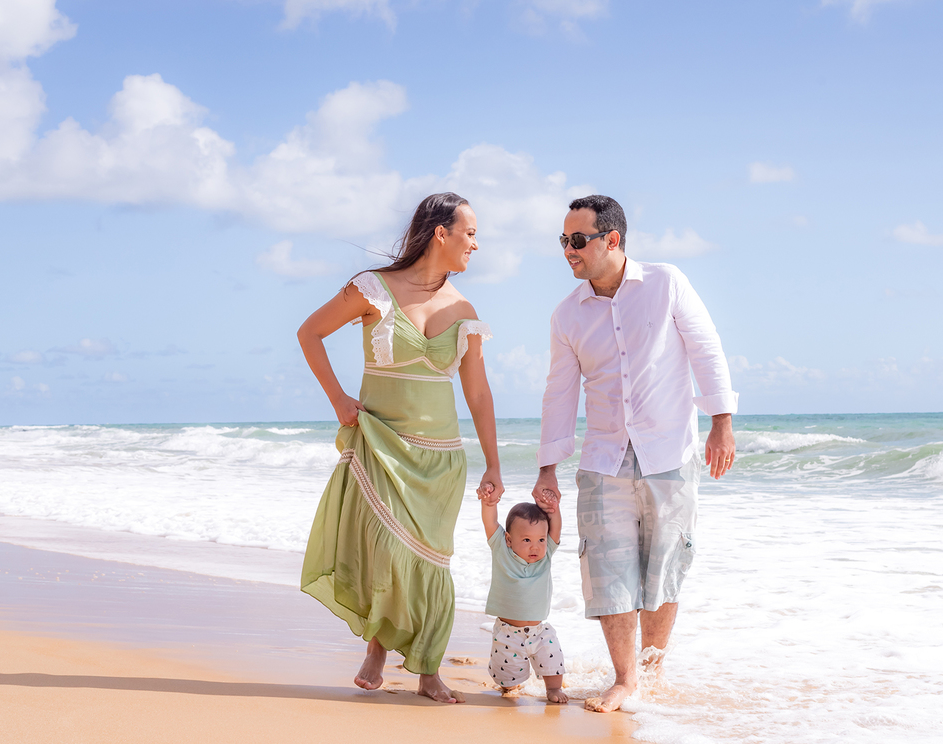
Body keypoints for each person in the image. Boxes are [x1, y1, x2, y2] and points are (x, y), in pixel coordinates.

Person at [533, 194, 737, 713]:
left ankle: (651, 673)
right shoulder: (566, 315)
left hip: (670, 452)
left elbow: (706, 347)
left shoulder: (667, 283)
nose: (568, 251)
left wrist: (722, 422)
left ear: (612, 239)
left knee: (665, 565)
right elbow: (560, 393)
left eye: (577, 240)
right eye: (563, 241)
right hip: (603, 458)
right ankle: (625, 680)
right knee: (608, 570)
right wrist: (547, 468)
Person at [298, 192, 503, 704]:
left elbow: (478, 394)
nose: (476, 244)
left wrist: (493, 464)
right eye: (470, 233)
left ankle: (429, 669)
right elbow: (310, 333)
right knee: (388, 555)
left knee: (432, 564)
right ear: (441, 233)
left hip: (441, 459)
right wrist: (338, 398)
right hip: (383, 446)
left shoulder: (464, 310)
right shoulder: (373, 289)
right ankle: (378, 646)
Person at [480, 491, 567, 704]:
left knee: (553, 660)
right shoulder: (501, 549)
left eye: (541, 539)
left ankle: (553, 689)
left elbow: (556, 527)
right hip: (508, 633)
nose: (535, 546)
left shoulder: (546, 555)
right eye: (527, 540)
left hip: (540, 631)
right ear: (509, 539)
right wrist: (489, 502)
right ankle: (509, 685)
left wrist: (553, 507)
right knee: (507, 677)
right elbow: (490, 522)